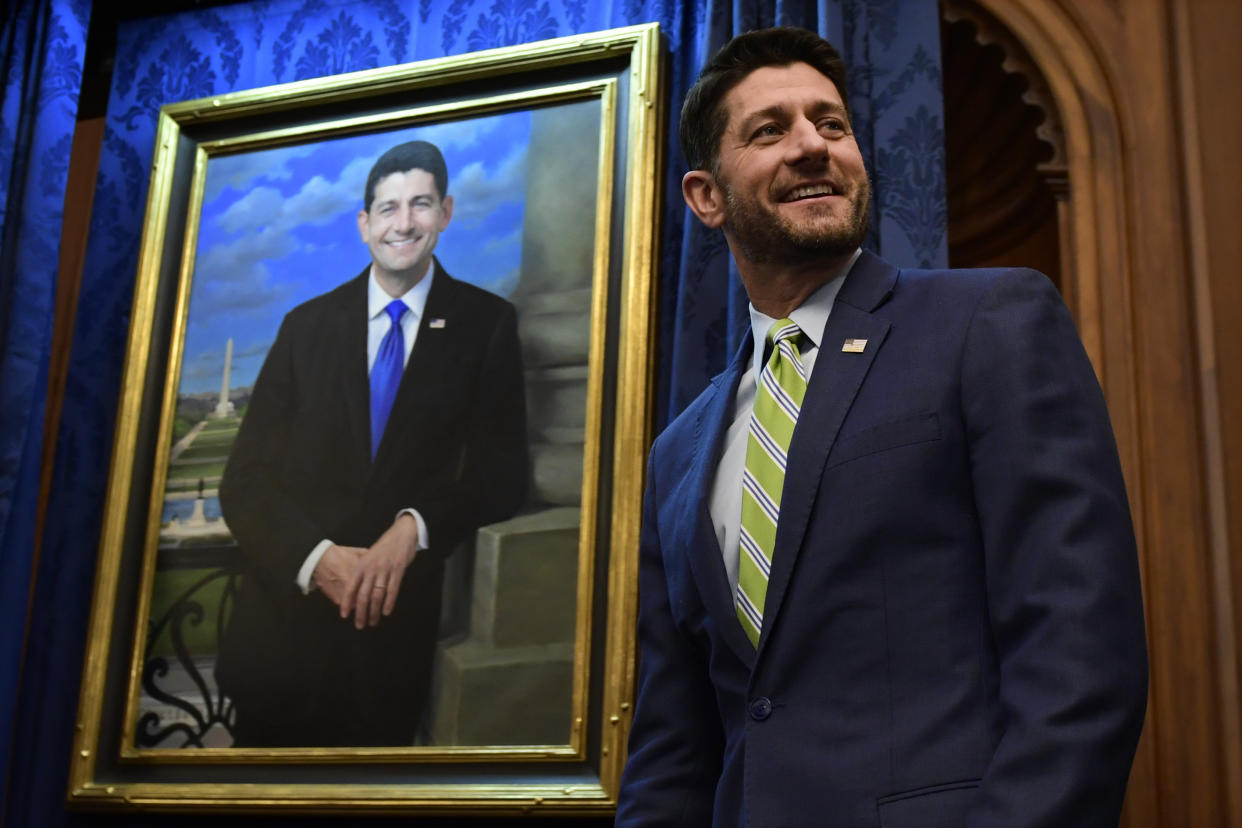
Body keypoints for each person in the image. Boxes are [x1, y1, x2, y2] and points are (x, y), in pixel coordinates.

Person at [616, 28, 1147, 826]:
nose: (812, 147)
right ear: (706, 197)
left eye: (832, 125)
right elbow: (672, 743)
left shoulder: (987, 324)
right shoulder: (677, 454)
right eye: (770, 130)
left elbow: (1080, 657)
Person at [215, 140, 529, 747]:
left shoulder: (486, 324)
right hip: (279, 646)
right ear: (364, 225)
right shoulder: (305, 326)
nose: (403, 223)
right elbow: (245, 480)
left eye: (420, 204)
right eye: (387, 208)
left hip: (390, 650)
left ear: (445, 213)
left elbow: (502, 471)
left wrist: (411, 528)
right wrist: (319, 560)